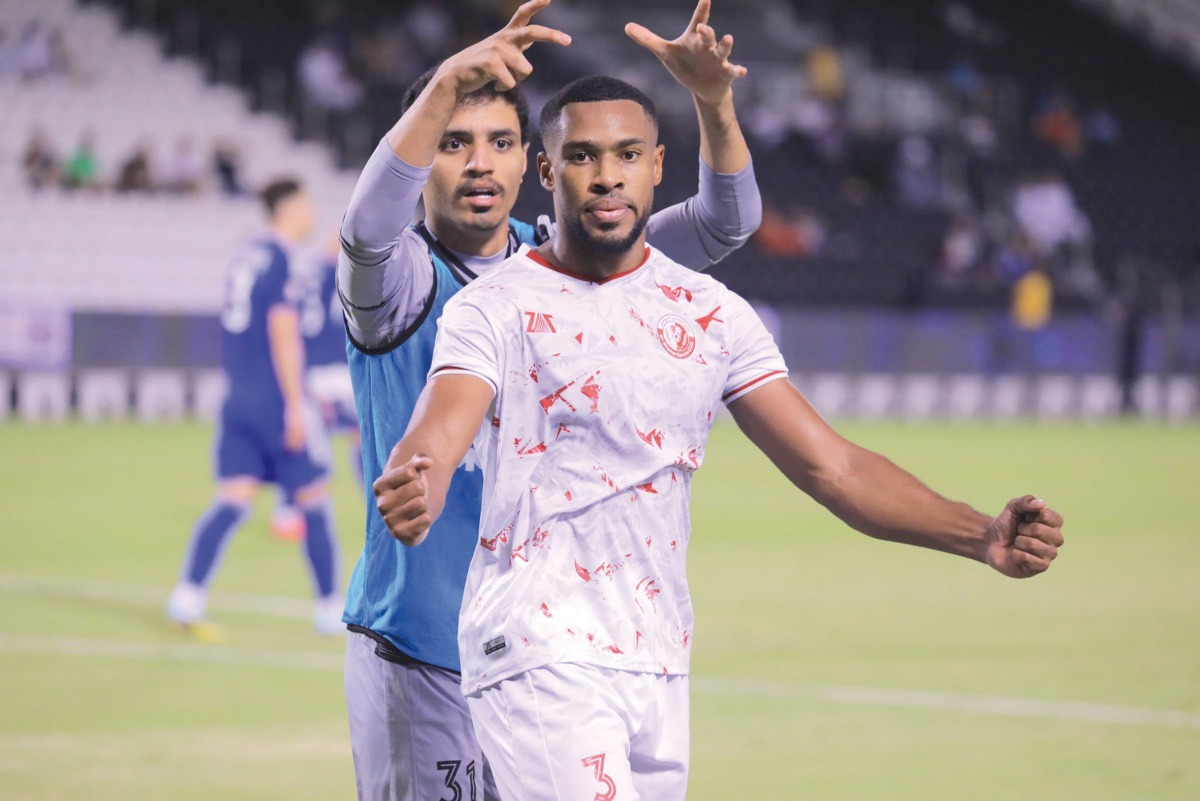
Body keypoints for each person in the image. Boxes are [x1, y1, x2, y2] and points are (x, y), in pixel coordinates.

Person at [373, 74, 1066, 801]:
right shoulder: (494, 306)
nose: (607, 176)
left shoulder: (710, 312)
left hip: (657, 655)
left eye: (627, 154)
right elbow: (443, 423)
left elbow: (834, 466)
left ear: (658, 165)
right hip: (537, 651)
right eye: (582, 156)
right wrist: (422, 474)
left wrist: (980, 534)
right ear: (546, 171)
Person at [337, 0, 762, 797]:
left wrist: (713, 101)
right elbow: (363, 233)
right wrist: (446, 85)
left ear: (532, 160)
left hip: (553, 657)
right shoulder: (399, 286)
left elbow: (725, 222)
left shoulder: (565, 263)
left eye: (500, 143)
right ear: (422, 156)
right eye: (453, 143)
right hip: (425, 652)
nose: (478, 165)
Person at [167, 178, 343, 637]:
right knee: (313, 502)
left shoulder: (245, 254)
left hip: (237, 398)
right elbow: (283, 331)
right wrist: (293, 405)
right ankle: (329, 608)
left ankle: (188, 595)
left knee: (232, 500)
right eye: (305, 206)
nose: (310, 215)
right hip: (274, 398)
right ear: (288, 209)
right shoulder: (282, 258)